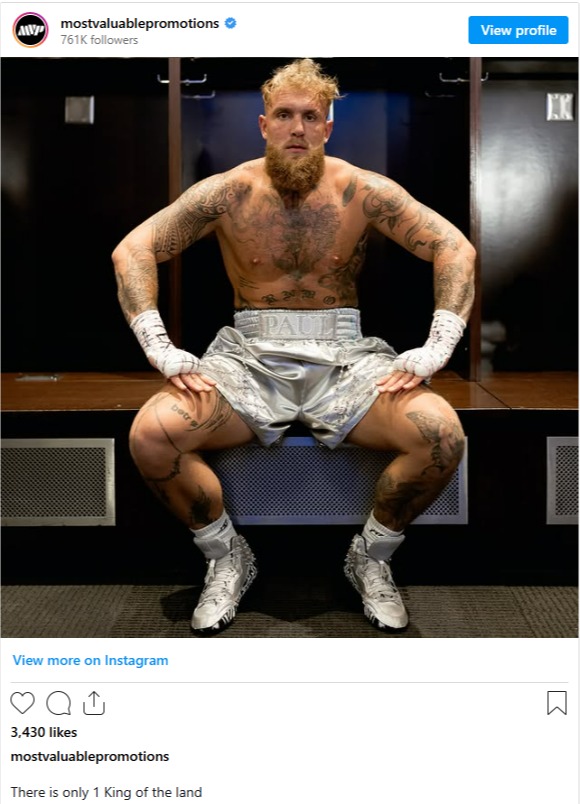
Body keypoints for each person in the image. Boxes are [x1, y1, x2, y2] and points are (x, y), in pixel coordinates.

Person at [112, 59, 475, 634]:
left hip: (345, 356)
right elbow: (133, 250)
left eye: (312, 116)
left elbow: (454, 248)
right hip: (250, 356)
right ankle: (227, 556)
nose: (298, 128)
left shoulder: (360, 189)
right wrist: (159, 346)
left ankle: (372, 558)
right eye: (285, 115)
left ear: (328, 127)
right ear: (264, 124)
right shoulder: (230, 192)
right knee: (152, 435)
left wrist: (438, 346)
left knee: (441, 434)